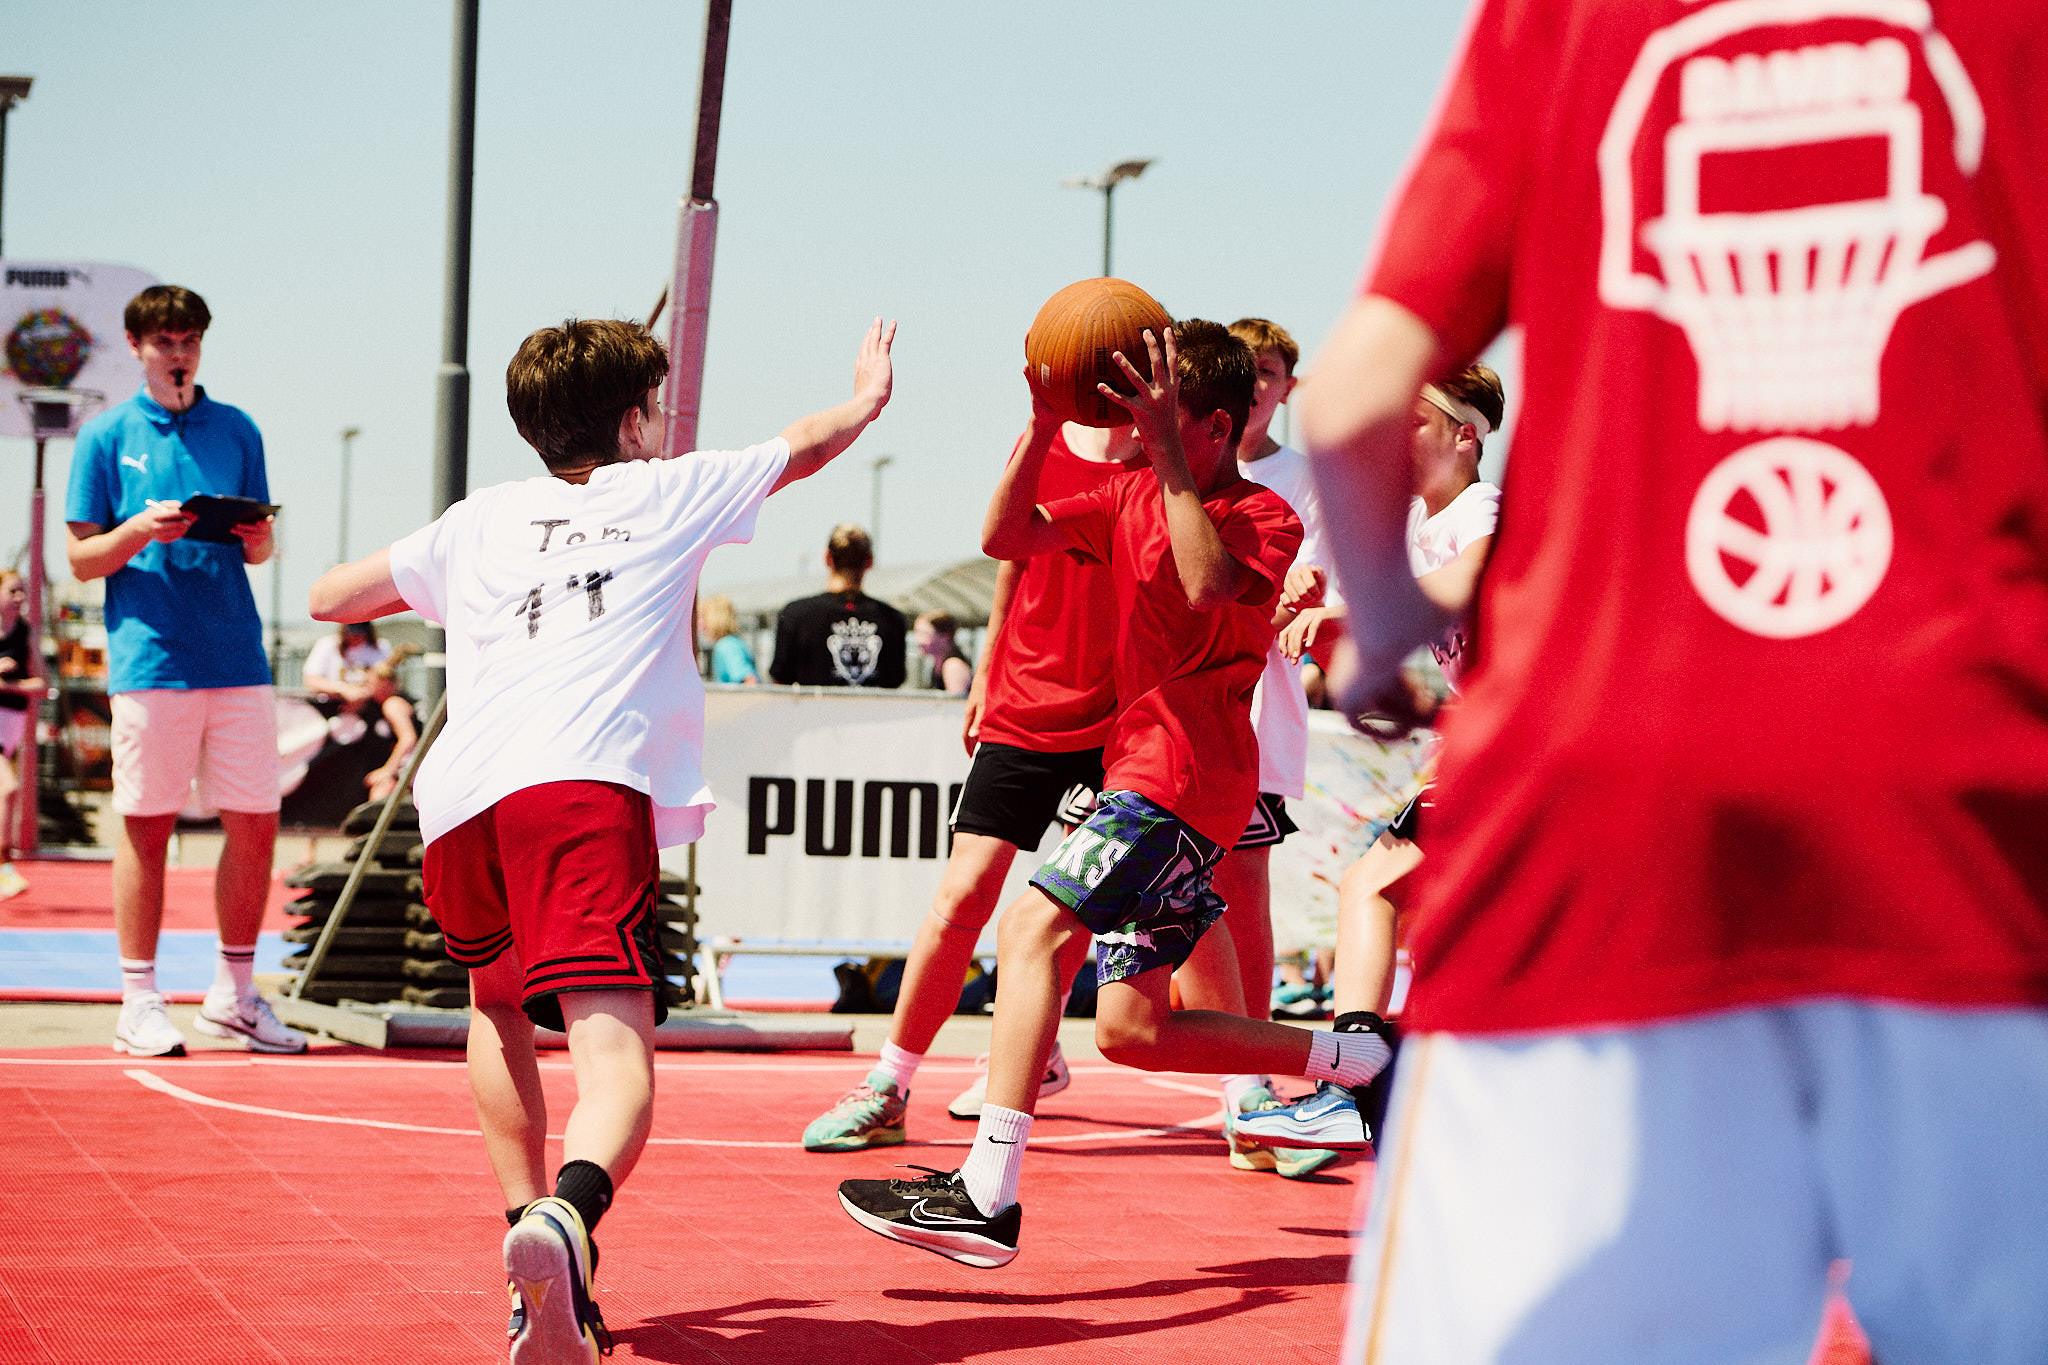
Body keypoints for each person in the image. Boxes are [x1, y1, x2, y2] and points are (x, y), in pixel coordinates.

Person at [1302, 7, 2048, 1362]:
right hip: (1981, 787)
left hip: (1603, 804)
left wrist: (1384, 623)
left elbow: (1351, 396)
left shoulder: (1567, 19)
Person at [311, 313, 894, 1361]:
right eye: (656, 408)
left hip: (460, 801)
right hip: (577, 789)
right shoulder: (667, 491)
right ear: (630, 424)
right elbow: (804, 446)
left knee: (496, 1006)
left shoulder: (479, 519)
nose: (664, 424)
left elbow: (328, 597)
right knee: (617, 1060)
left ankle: (529, 1255)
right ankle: (567, 1216)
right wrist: (865, 399)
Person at [838, 321, 1382, 1269]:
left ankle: (986, 1193)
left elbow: (1205, 584)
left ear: (1215, 426)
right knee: (1133, 1030)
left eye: (1161, 412)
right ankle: (1358, 1063)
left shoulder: (1263, 515)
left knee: (1029, 929)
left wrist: (1166, 457)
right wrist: (1042, 423)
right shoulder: (1129, 490)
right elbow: (1005, 535)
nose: (1136, 424)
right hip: (1147, 774)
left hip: (1184, 778)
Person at [799, 415, 1140, 1154]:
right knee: (962, 896)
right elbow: (1010, 555)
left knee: (1065, 908)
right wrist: (986, 670)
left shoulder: (1164, 458)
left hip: (1115, 717)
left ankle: (1038, 1049)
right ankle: (888, 1086)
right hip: (1024, 703)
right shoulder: (1045, 442)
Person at [1235, 364, 1504, 1155]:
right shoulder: (1417, 522)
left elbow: (1466, 577)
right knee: (1401, 903)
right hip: (1493, 744)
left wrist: (1345, 611)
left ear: (1465, 436)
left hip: (1531, 743)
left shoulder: (1482, 510)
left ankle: (1357, 1086)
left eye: (1415, 420)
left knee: (1378, 890)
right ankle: (1383, 1086)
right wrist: (1315, 593)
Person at [65, 284, 305, 1058]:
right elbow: (80, 559)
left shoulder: (237, 428)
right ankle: (139, 998)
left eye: (190, 340)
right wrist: (139, 528)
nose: (179, 353)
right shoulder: (104, 435)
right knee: (147, 825)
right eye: (165, 341)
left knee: (256, 820)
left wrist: (259, 539)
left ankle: (234, 993)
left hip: (236, 654)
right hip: (151, 656)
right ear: (136, 346)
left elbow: (260, 544)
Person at [1175, 315, 1341, 1178]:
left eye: (1271, 371)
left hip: (1251, 720)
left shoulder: (1299, 485)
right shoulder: (1170, 473)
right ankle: (1031, 1061)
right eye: (1249, 371)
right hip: (1160, 724)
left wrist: (1287, 608)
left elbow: (1303, 603)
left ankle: (1254, 1090)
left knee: (1240, 898)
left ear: (1286, 386)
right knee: (1095, 906)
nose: (1260, 385)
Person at [769, 523, 907, 687]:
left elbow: (781, 683)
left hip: (814, 705)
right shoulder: (892, 620)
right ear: (869, 561)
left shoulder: (796, 615)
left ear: (827, 558)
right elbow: (895, 682)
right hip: (869, 705)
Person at [301, 620, 421, 801]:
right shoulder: (328, 645)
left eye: (369, 683)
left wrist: (387, 771)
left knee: (382, 792)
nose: (366, 687)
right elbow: (311, 680)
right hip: (395, 763)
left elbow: (408, 739)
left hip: (408, 769)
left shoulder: (393, 705)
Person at [0, 570, 43, 900]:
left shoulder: (26, 633)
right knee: (8, 787)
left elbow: (41, 683)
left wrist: (10, 685)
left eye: (22, 591)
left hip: (11, 722)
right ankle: (4, 866)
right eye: (13, 591)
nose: (20, 597)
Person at [696, 593, 758, 684]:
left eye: (702, 617)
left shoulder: (726, 646)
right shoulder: (732, 642)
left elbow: (750, 680)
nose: (699, 623)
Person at [913, 610, 973, 695]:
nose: (919, 641)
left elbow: (956, 702)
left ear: (945, 636)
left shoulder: (953, 666)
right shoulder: (937, 666)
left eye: (925, 634)